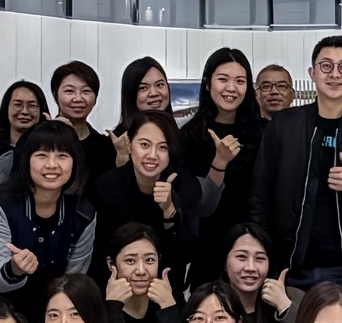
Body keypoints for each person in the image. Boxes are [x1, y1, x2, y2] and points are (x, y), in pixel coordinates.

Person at [248, 35, 342, 310]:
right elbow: (260, 193)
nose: (335, 74)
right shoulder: (283, 126)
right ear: (312, 73)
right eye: (326, 66)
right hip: (290, 265)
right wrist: (262, 251)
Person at [90, 108, 218, 283]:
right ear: (129, 146)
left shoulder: (186, 186)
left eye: (162, 147)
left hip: (165, 285)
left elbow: (186, 254)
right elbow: (101, 253)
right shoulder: (107, 186)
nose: (152, 155)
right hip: (118, 285)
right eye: (144, 145)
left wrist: (169, 210)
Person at [0, 121, 97, 294]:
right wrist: (14, 269)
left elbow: (75, 278)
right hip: (0, 301)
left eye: (62, 155)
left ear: (75, 162)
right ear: (26, 160)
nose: (52, 165)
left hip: (56, 302)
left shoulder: (83, 214)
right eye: (42, 155)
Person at [179, 46, 267, 279]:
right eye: (223, 79)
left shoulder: (265, 133)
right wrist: (219, 162)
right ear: (208, 84)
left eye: (240, 81)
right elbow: (194, 204)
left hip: (256, 246)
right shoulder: (190, 135)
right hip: (208, 249)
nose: (231, 88)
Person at [218, 222, 302, 323]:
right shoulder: (210, 303)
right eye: (241, 257)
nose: (251, 267)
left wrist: (285, 307)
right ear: (224, 263)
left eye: (260, 258)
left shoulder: (289, 298)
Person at [51, 60, 118, 185]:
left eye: (86, 91)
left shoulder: (105, 146)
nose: (78, 98)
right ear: (55, 96)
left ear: (95, 98)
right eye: (69, 91)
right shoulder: (37, 138)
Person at [115, 56, 172, 166]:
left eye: (159, 85)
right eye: (143, 88)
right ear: (131, 94)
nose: (154, 93)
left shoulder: (182, 136)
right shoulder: (118, 142)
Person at [0, 79, 49, 181]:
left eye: (32, 105)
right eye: (18, 104)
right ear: (6, 108)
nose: (24, 111)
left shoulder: (49, 148)